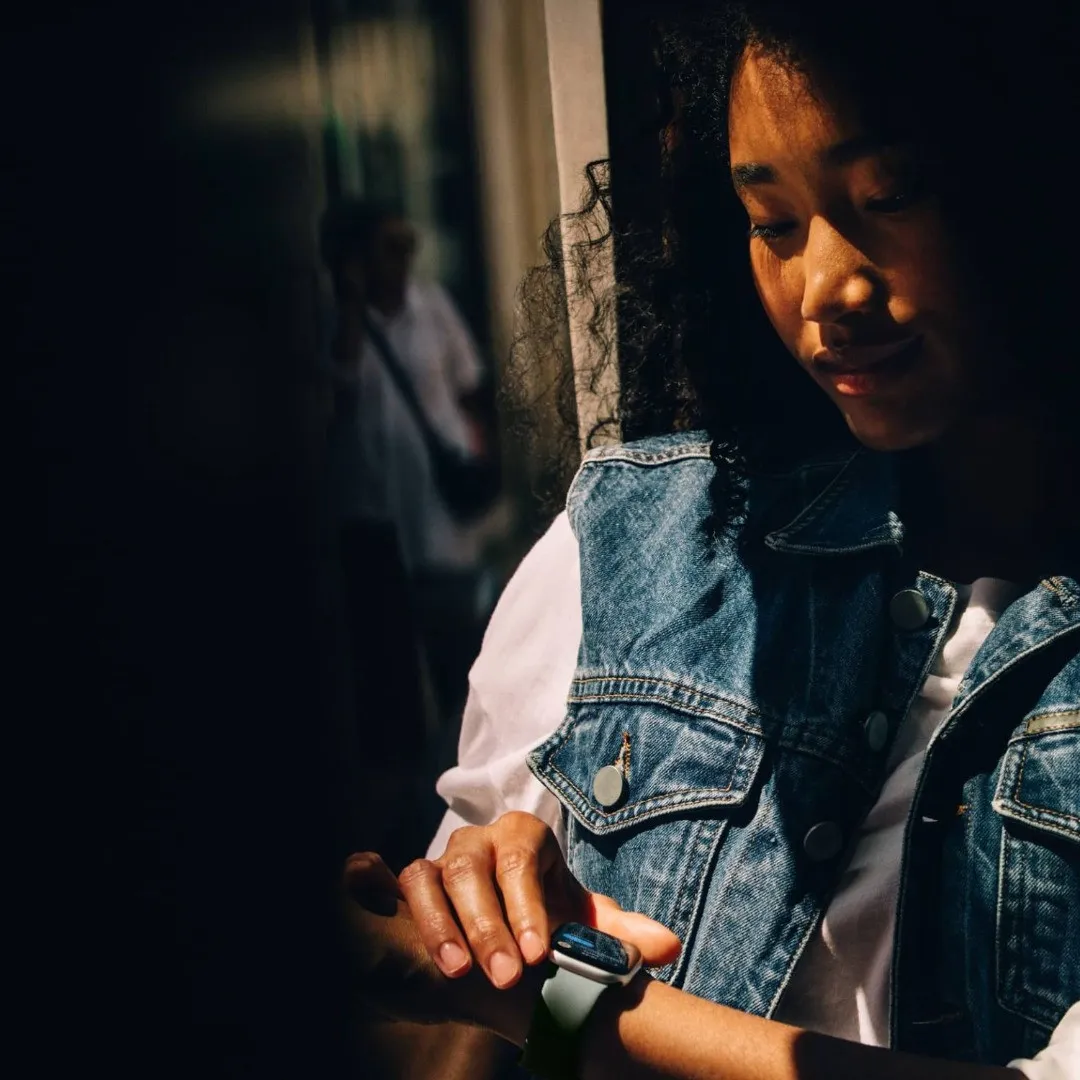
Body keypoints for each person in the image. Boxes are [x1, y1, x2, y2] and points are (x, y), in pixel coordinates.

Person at [344, 2, 1080, 1077]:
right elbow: (511, 1044)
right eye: (772, 222)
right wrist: (514, 952)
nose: (826, 287)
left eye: (891, 196)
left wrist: (565, 1000)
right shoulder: (639, 546)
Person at [319, 199, 502, 746]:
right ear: (358, 260)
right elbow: (338, 389)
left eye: (408, 247)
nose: (403, 260)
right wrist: (353, 308)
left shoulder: (432, 306)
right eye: (391, 249)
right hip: (375, 507)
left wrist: (476, 459)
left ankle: (461, 744)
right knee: (388, 657)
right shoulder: (337, 322)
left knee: (457, 643)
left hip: (438, 503)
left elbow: (469, 385)